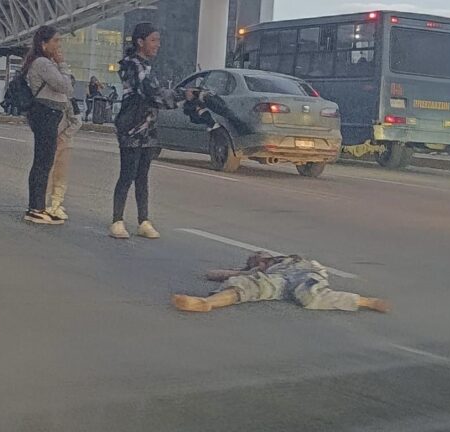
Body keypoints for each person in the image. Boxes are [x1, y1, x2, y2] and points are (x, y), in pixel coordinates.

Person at [110, 22, 181, 239]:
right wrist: (181, 96)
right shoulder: (132, 65)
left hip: (148, 129)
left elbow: (156, 96)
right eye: (153, 40)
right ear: (140, 42)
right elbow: (151, 93)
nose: (157, 45)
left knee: (142, 176)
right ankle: (117, 221)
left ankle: (144, 220)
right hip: (131, 128)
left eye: (158, 40)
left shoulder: (148, 66)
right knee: (127, 175)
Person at [172, 252, 390, 313]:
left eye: (259, 256)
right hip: (280, 281)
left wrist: (260, 264)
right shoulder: (259, 272)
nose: (259, 258)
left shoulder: (288, 259)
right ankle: (206, 303)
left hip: (302, 272)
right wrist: (243, 271)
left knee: (309, 295)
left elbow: (304, 267)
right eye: (255, 259)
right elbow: (213, 273)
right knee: (246, 287)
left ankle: (365, 301)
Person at [23, 25, 74, 224]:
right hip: (45, 113)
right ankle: (35, 208)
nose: (59, 45)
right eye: (56, 41)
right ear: (44, 44)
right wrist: (63, 65)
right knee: (43, 162)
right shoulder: (43, 63)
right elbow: (65, 87)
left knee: (44, 161)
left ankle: (38, 206)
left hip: (47, 114)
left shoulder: (42, 61)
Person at [46, 75, 83, 221]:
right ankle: (45, 204)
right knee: (49, 173)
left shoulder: (69, 101)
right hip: (52, 141)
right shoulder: (53, 99)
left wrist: (63, 136)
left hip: (64, 143)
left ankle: (55, 204)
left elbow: (77, 122)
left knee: (60, 175)